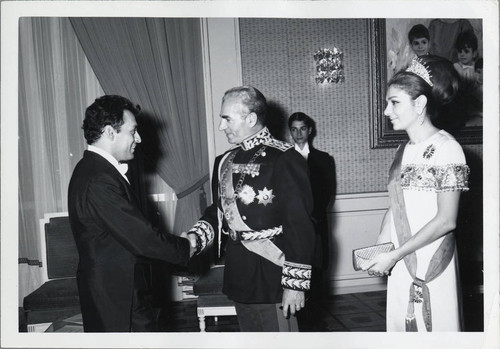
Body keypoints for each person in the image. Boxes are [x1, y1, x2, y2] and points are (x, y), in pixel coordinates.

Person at [184, 86, 315, 332]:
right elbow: (220, 212)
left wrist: (294, 285)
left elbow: (300, 224)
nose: (222, 126)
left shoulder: (285, 158)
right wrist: (196, 236)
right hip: (240, 272)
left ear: (251, 118)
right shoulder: (224, 161)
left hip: (273, 274)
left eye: (227, 119)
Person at [68, 95, 195, 332]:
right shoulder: (99, 179)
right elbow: (142, 238)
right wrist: (186, 247)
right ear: (110, 132)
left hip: (118, 290)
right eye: (133, 131)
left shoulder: (94, 170)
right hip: (117, 298)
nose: (139, 138)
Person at [364, 56, 470, 332]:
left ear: (420, 103)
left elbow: (446, 220)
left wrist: (396, 253)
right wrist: (382, 246)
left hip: (431, 257)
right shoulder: (405, 150)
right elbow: (396, 204)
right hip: (400, 259)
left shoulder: (448, 148)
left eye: (394, 102)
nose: (387, 111)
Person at [288, 112, 336, 331]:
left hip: (316, 229)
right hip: (290, 231)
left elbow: (327, 196)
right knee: (294, 278)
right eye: (294, 129)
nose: (298, 134)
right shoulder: (283, 160)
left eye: (302, 129)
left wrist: (310, 220)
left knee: (315, 278)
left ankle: (314, 326)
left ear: (310, 130)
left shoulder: (324, 159)